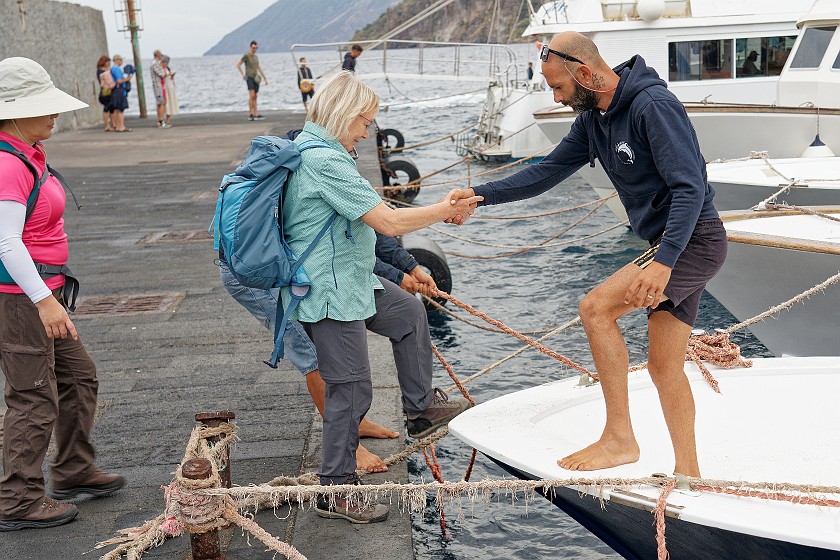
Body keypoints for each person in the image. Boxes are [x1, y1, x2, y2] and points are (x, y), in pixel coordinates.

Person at [450, 32, 727, 479]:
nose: (556, 98)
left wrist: (664, 261)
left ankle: (620, 438)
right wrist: (480, 195)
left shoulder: (651, 105)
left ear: (584, 73)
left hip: (692, 241)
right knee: (663, 367)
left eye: (558, 87)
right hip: (671, 246)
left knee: (595, 309)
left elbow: (690, 186)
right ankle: (689, 473)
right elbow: (546, 173)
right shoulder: (593, 119)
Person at [283, 70, 480, 523]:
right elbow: (387, 223)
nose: (368, 130)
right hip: (327, 291)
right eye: (364, 120)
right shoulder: (323, 162)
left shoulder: (331, 153)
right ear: (343, 113)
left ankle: (420, 406)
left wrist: (406, 269)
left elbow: (364, 232)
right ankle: (336, 488)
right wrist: (445, 210)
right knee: (350, 388)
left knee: (408, 311)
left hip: (352, 279)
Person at [0, 57, 126, 532]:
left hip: (37, 291)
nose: (55, 115)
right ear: (12, 111)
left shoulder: (25, 150)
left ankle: (73, 469)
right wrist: (43, 300)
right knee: (32, 396)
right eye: (43, 107)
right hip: (19, 297)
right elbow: (6, 240)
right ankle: (18, 499)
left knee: (78, 377)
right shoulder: (6, 163)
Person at [219, 231, 436, 473]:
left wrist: (406, 266)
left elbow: (367, 228)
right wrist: (397, 274)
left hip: (292, 261)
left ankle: (356, 425)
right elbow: (343, 237)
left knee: (399, 315)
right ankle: (348, 452)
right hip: (256, 270)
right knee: (312, 353)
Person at [236, 41, 268, 121]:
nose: (254, 49)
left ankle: (256, 112)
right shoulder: (246, 55)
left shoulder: (255, 57)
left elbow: (259, 67)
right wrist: (243, 74)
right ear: (250, 47)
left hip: (256, 78)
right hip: (249, 77)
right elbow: (238, 64)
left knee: (255, 96)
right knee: (252, 95)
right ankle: (251, 113)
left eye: (256, 48)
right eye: (253, 48)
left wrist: (264, 78)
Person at [108, 55, 132, 132]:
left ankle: (118, 126)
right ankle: (121, 126)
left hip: (115, 91)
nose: (122, 62)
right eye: (121, 60)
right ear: (117, 60)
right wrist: (127, 79)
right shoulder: (116, 69)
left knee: (116, 109)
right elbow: (119, 81)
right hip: (119, 90)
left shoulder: (112, 69)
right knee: (121, 109)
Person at [95, 55, 115, 131]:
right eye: (107, 61)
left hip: (110, 91)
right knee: (106, 108)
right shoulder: (100, 71)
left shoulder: (106, 69)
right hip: (105, 92)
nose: (108, 63)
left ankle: (113, 124)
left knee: (111, 108)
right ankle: (107, 125)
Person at [150, 49, 168, 128]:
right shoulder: (155, 64)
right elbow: (161, 74)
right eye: (160, 55)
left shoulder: (155, 63)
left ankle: (160, 121)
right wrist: (167, 74)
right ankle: (161, 122)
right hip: (157, 85)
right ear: (157, 55)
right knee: (162, 103)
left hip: (157, 84)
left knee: (159, 103)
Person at [161, 56, 179, 126]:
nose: (166, 64)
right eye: (165, 62)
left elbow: (169, 76)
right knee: (166, 103)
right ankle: (163, 120)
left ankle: (168, 119)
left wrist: (171, 76)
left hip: (170, 86)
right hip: (165, 87)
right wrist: (168, 74)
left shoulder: (168, 68)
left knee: (170, 103)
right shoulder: (161, 69)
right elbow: (162, 76)